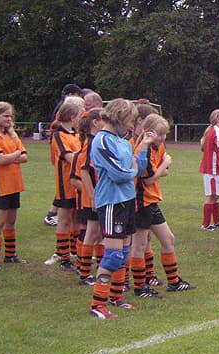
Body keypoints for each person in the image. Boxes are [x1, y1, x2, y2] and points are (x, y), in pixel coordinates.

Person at [88, 99, 154, 319]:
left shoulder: (123, 141)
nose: (130, 126)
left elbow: (138, 167)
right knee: (113, 255)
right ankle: (98, 303)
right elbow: (119, 174)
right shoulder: (102, 141)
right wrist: (132, 170)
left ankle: (116, 297)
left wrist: (143, 148)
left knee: (123, 254)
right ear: (117, 117)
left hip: (127, 201)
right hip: (111, 203)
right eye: (128, 120)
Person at [129, 113, 194, 299]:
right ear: (149, 132)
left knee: (168, 239)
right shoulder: (143, 148)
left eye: (164, 134)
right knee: (139, 244)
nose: (163, 138)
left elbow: (163, 172)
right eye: (159, 134)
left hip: (153, 200)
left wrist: (162, 169)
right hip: (141, 201)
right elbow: (148, 179)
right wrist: (164, 165)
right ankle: (140, 287)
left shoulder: (159, 146)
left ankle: (174, 282)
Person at [0, 102, 28, 272]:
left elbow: (25, 156)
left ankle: (10, 255)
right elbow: (0, 159)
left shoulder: (11, 134)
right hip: (0, 184)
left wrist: (13, 156)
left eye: (11, 116)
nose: (10, 119)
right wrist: (16, 154)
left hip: (15, 183)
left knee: (11, 221)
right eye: (6, 116)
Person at [49, 98, 85, 272]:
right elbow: (69, 157)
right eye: (79, 116)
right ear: (72, 117)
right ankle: (63, 257)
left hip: (77, 182)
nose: (80, 119)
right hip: (65, 183)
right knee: (64, 219)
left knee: (76, 219)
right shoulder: (58, 135)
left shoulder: (75, 134)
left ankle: (75, 253)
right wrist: (84, 159)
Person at [72, 109, 104, 284]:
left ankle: (98, 269)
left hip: (97, 195)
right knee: (91, 232)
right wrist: (92, 196)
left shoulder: (95, 141)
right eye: (103, 120)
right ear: (95, 122)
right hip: (93, 196)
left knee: (98, 233)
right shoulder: (90, 143)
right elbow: (84, 171)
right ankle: (84, 274)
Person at [199, 109, 219, 230]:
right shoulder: (215, 130)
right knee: (211, 195)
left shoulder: (213, 130)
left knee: (215, 195)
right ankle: (205, 224)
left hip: (214, 167)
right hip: (212, 168)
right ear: (217, 119)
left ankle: (217, 221)